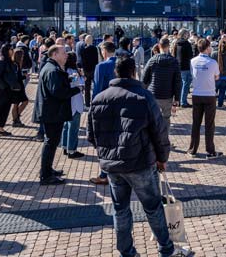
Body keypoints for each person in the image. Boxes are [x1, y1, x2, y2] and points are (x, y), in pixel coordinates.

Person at [88, 56, 189, 257]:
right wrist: (162, 158)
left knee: (120, 209)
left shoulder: (99, 98)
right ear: (134, 71)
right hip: (140, 162)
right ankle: (166, 249)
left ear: (115, 73)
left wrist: (106, 153)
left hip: (113, 165)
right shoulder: (143, 97)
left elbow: (92, 135)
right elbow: (159, 132)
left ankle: (126, 251)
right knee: (153, 208)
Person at [32, 44, 81, 185]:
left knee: (52, 143)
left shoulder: (52, 68)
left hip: (52, 112)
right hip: (52, 113)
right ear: (54, 55)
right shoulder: (52, 70)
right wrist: (76, 89)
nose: (66, 55)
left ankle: (47, 170)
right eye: (63, 53)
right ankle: (45, 175)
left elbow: (56, 87)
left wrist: (68, 80)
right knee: (50, 142)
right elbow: (58, 92)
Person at [187, 38, 221, 158]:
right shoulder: (212, 62)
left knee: (196, 123)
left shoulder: (192, 61)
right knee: (209, 124)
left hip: (196, 94)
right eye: (210, 47)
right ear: (207, 48)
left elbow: (192, 74)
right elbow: (217, 77)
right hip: (209, 95)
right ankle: (210, 151)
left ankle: (192, 149)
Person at [142, 36, 181, 139]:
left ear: (159, 46)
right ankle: (164, 139)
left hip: (153, 94)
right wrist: (177, 98)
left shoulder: (153, 60)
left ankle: (152, 139)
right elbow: (177, 82)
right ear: (169, 47)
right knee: (166, 118)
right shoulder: (174, 62)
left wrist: (143, 91)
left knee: (152, 117)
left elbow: (144, 78)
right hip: (167, 95)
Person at [61, 51, 86, 159]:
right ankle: (72, 150)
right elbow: (77, 84)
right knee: (73, 127)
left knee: (67, 126)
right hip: (74, 102)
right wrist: (81, 85)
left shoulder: (64, 70)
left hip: (68, 102)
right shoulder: (72, 72)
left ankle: (65, 147)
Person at [77, 34, 99, 107]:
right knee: (96, 86)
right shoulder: (95, 48)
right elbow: (96, 60)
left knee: (87, 87)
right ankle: (95, 101)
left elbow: (83, 61)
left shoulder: (83, 49)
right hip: (94, 69)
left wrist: (83, 69)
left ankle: (87, 103)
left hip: (86, 70)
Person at [175, 30, 194, 108]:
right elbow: (190, 55)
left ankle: (179, 101)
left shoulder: (177, 43)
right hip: (186, 66)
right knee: (186, 84)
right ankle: (183, 102)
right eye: (187, 34)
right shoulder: (187, 44)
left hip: (179, 66)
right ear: (185, 35)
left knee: (182, 84)